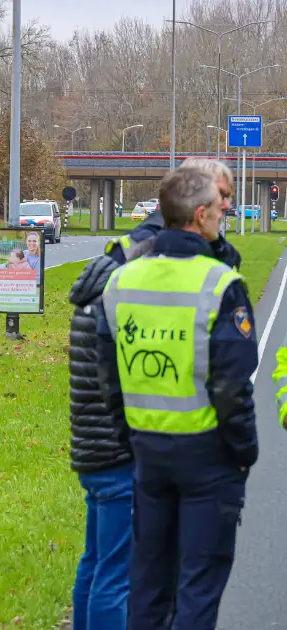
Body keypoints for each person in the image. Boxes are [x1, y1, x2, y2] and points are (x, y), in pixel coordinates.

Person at [96, 166, 258, 630]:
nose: (223, 214)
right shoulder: (220, 284)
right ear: (200, 214)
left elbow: (110, 377)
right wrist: (244, 451)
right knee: (198, 588)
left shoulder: (123, 281)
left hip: (148, 452)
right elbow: (232, 386)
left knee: (148, 583)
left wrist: (129, 435)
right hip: (208, 455)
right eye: (219, 207)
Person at [66, 210, 163, 630]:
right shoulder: (120, 300)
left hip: (91, 447)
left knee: (95, 561)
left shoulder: (93, 292)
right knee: (117, 574)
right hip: (116, 449)